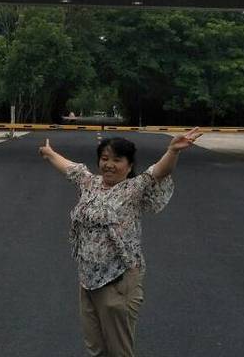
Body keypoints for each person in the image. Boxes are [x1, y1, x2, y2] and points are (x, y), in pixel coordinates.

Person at [39, 128, 203, 357]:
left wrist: (172, 151)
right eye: (105, 158)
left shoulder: (133, 188)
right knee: (95, 348)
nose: (109, 165)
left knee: (119, 351)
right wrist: (49, 153)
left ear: (129, 165)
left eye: (117, 160)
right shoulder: (90, 183)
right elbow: (71, 168)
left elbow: (158, 172)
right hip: (88, 280)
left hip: (118, 280)